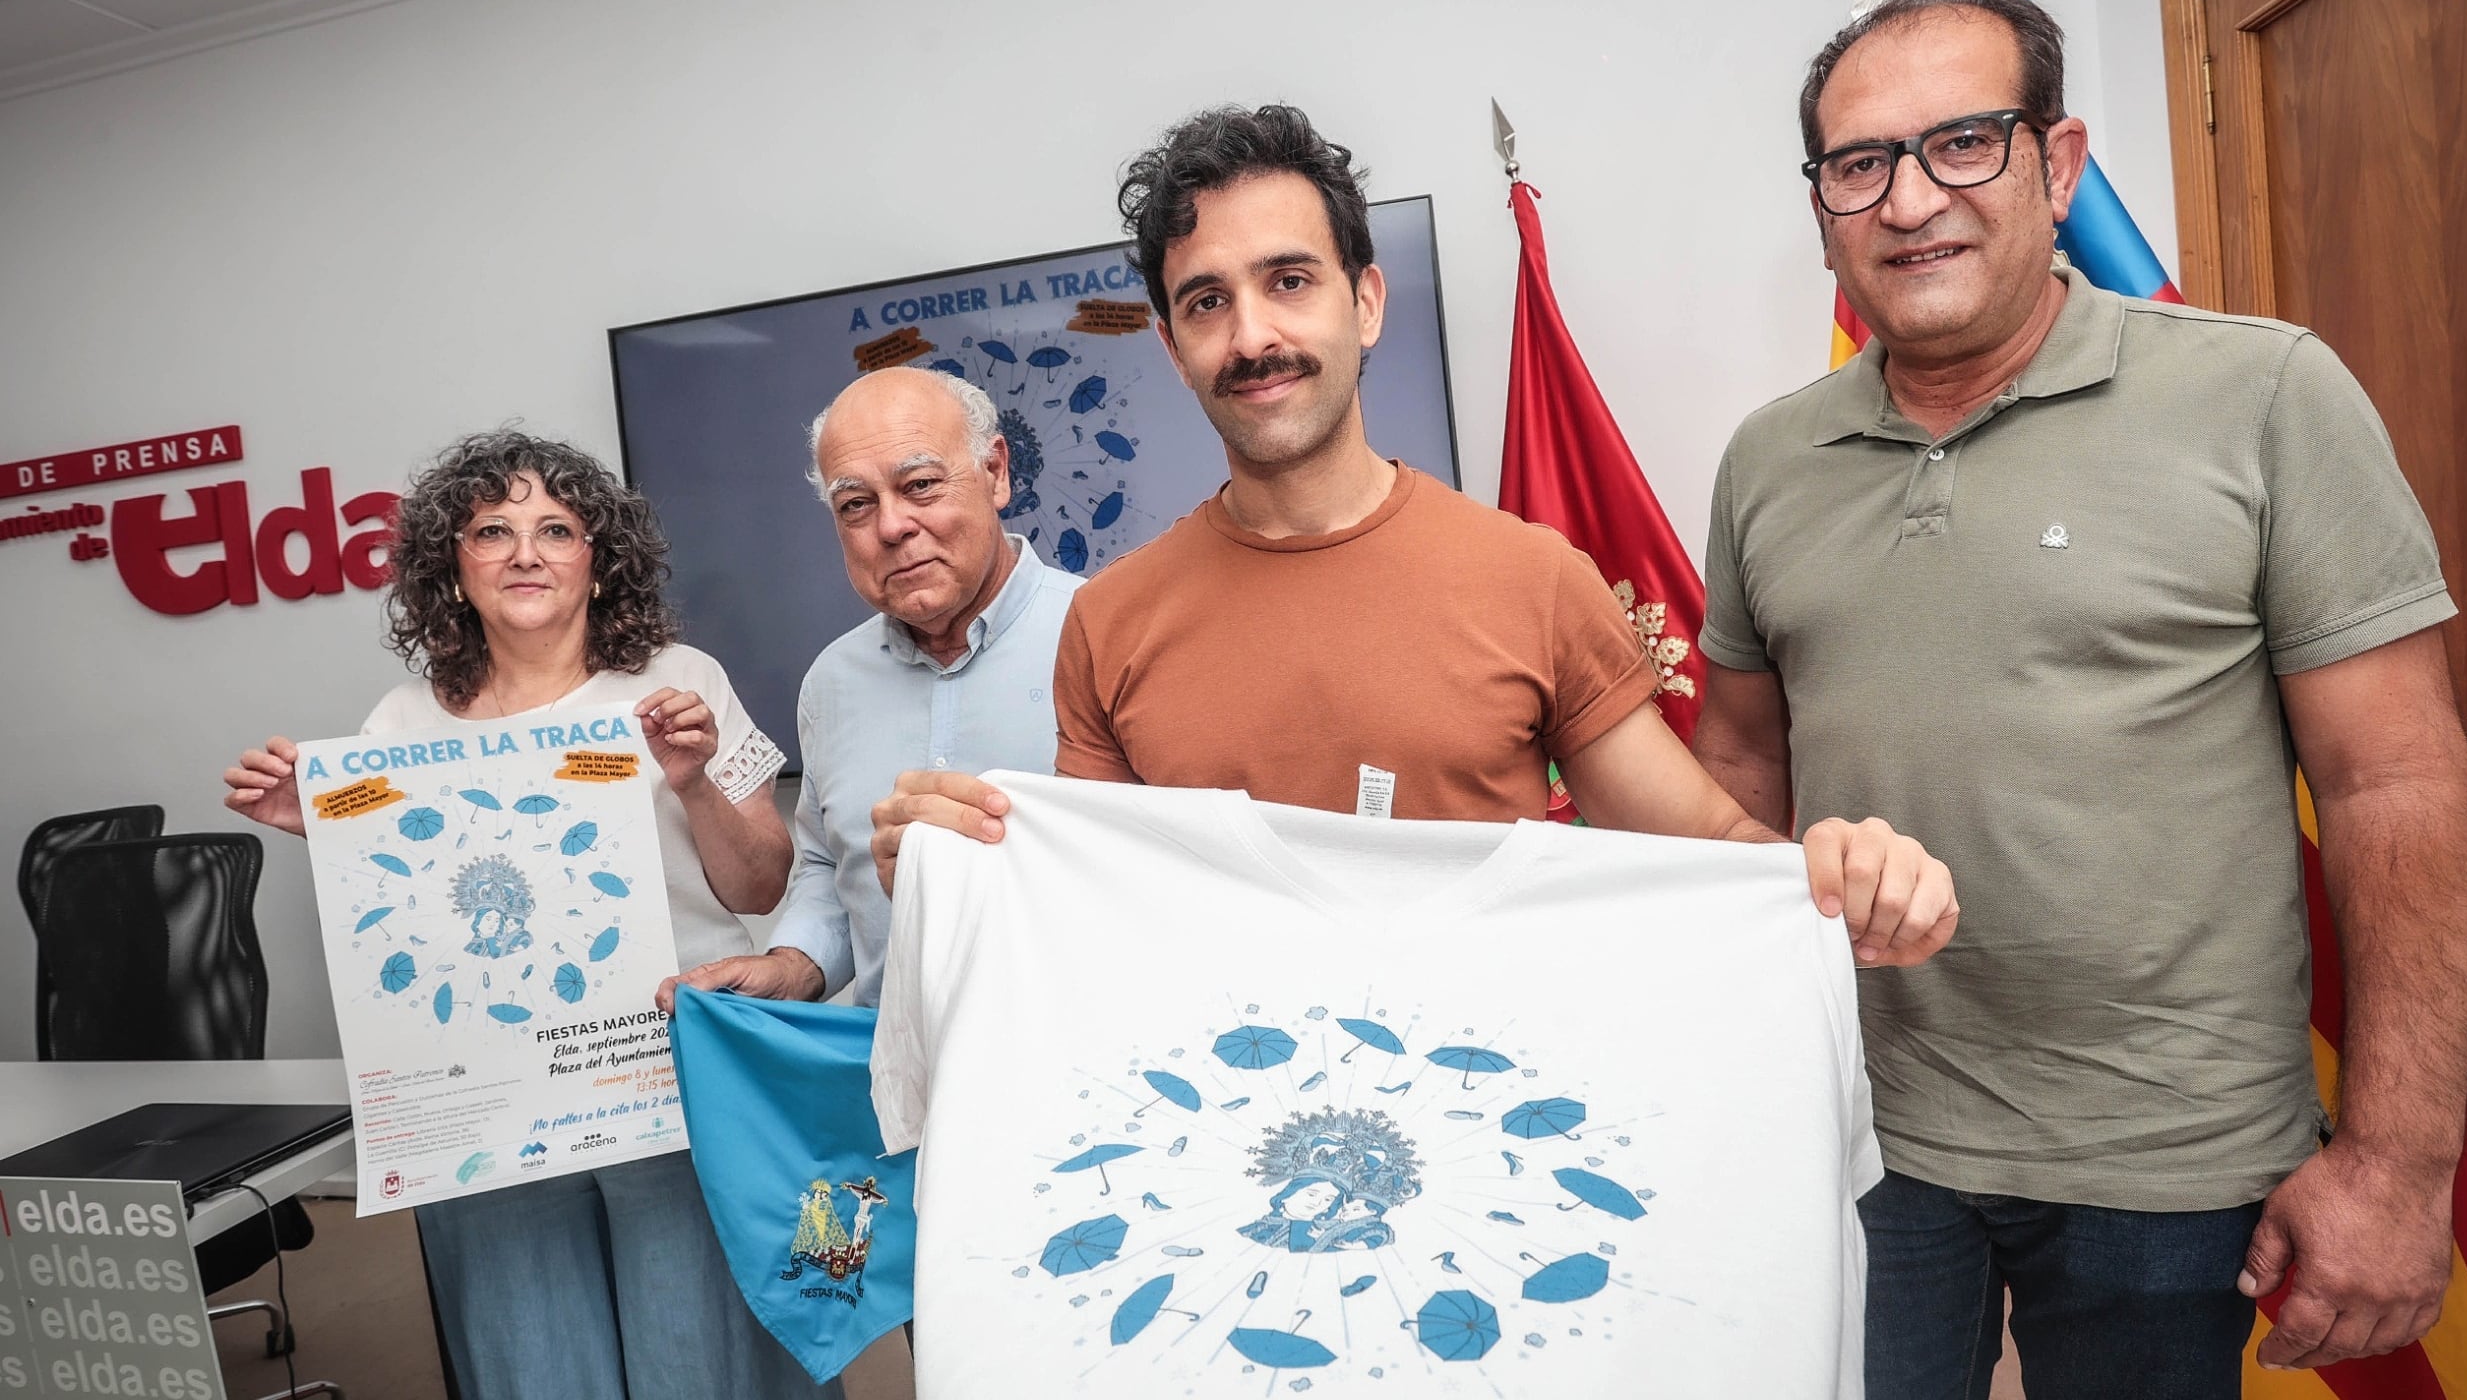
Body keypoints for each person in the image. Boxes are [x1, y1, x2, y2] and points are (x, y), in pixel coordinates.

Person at [1691, 0, 2467, 1397]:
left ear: (2056, 167)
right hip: (1861, 1140)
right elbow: (1744, 769)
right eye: (1859, 163)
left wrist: (2396, 1159)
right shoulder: (1767, 461)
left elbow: (2398, 784)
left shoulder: (2266, 398)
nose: (1910, 198)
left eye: (1964, 143)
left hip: (2165, 1166)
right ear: (1821, 203)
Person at [872, 104, 1961, 961]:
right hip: (1226, 1150)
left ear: (1367, 304)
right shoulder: (1108, 623)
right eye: (1205, 303)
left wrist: (1837, 876)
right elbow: (1083, 913)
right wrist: (947, 860)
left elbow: (1710, 855)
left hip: (1492, 1134)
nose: (1252, 335)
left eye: (1288, 282)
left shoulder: (1530, 578)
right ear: (1170, 347)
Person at [222, 431, 825, 1400]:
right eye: (491, 531)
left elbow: (760, 888)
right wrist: (316, 828)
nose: (525, 552)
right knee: (531, 1363)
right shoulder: (398, 725)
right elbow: (406, 917)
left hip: (661, 1080)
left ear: (599, 558)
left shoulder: (677, 684)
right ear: (451, 568)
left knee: (700, 1361)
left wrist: (694, 783)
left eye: (555, 528)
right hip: (487, 1106)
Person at [654, 367, 1080, 1011]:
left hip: (1089, 1068)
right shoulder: (832, 681)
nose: (891, 527)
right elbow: (831, 869)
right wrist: (791, 967)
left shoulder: (1107, 636)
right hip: (895, 1079)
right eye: (856, 504)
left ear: (995, 472)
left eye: (921, 486)